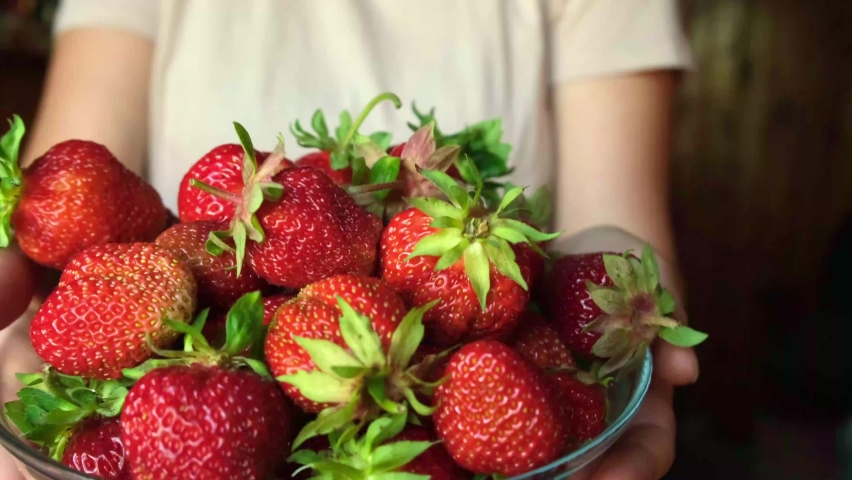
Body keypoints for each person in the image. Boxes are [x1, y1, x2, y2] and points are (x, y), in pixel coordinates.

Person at [0, 0, 700, 478]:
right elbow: (70, 213)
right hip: (202, 306)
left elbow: (620, 204)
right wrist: (38, 272)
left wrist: (624, 286)